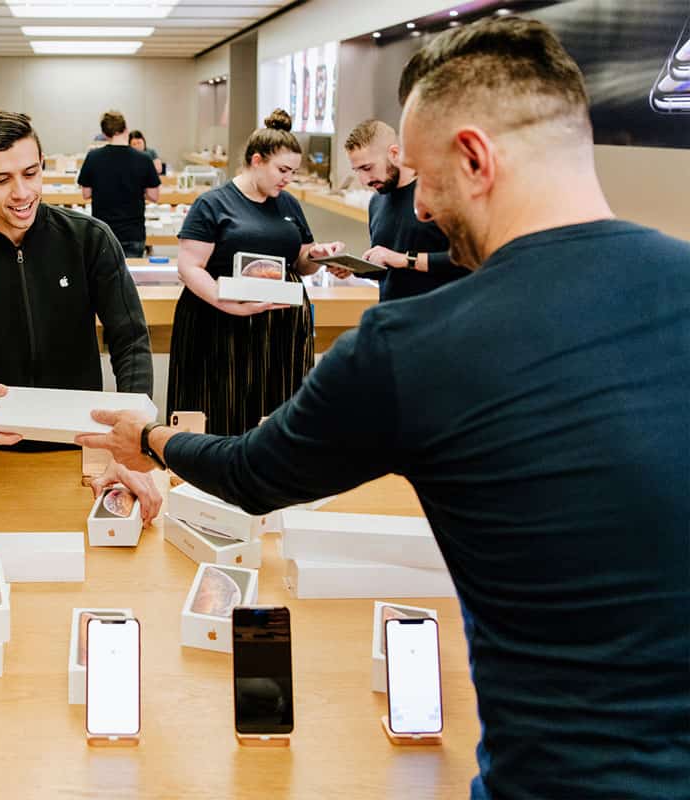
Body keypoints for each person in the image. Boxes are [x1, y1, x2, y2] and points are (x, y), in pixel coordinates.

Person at [78, 17, 689, 800]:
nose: (422, 206)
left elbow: (255, 474)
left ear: (474, 157)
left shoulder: (414, 345)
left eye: (424, 177)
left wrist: (153, 436)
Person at [0, 110, 161, 521]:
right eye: (1, 180)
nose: (21, 193)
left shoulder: (89, 239)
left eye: (31, 173)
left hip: (87, 449)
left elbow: (131, 339)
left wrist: (132, 429)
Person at [166, 109, 344, 436]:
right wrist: (226, 302)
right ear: (257, 160)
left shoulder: (288, 204)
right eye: (282, 170)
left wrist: (316, 255)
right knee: (219, 412)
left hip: (280, 331)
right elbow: (189, 267)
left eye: (293, 171)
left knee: (275, 415)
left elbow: (300, 260)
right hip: (219, 325)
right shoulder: (213, 204)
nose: (287, 178)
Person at [329, 118, 470, 300]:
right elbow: (389, 270)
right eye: (358, 171)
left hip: (438, 317)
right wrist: (354, 269)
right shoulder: (376, 202)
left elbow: (467, 261)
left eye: (368, 168)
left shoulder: (438, 194)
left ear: (394, 153)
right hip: (392, 317)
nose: (364, 180)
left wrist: (404, 259)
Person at [77, 110, 161, 258]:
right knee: (131, 277)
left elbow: (86, 194)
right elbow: (154, 196)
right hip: (133, 232)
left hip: (103, 231)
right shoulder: (144, 159)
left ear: (104, 134)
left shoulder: (93, 157)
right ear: (126, 129)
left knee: (102, 278)